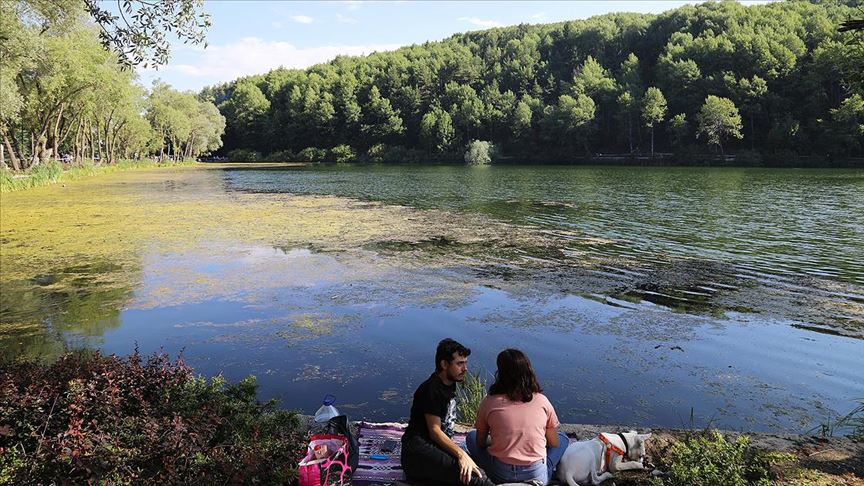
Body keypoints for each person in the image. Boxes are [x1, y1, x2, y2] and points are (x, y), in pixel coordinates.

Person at [466, 349, 569, 485]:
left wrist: (500, 440)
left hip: (500, 475)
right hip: (535, 476)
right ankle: (545, 472)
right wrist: (532, 440)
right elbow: (553, 443)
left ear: (500, 373)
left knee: (471, 437)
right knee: (563, 438)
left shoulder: (489, 402)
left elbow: (480, 442)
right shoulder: (542, 401)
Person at [401, 338, 495, 486]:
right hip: (417, 452)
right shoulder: (431, 390)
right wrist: (461, 454)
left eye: (465, 363)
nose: (465, 368)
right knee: (476, 477)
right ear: (444, 364)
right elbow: (435, 431)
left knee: (477, 469)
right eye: (459, 364)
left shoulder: (449, 383)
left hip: (435, 448)